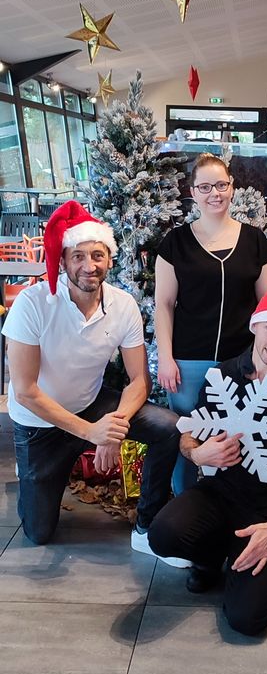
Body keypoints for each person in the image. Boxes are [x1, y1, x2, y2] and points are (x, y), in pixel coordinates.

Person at [3, 201, 182, 551]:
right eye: (78, 256)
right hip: (39, 422)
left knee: (169, 427)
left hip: (91, 402)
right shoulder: (32, 303)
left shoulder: (123, 304)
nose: (89, 266)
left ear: (110, 259)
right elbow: (24, 391)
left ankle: (146, 526)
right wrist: (91, 433)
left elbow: (139, 380)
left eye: (98, 255)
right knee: (39, 532)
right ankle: (30, 478)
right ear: (63, 261)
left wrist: (113, 429)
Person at [148, 283, 267, 636]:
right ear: (255, 326)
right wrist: (198, 453)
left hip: (266, 509)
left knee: (247, 621)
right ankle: (212, 557)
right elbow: (190, 432)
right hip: (218, 493)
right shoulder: (223, 375)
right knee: (163, 534)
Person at [155, 152, 267, 495]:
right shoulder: (175, 243)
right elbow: (164, 305)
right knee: (188, 439)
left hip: (241, 361)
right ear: (193, 192)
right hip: (188, 362)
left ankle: (233, 508)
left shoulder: (255, 241)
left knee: (239, 439)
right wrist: (166, 357)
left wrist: (263, 359)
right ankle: (184, 506)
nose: (215, 194)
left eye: (221, 185)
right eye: (205, 187)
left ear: (232, 187)